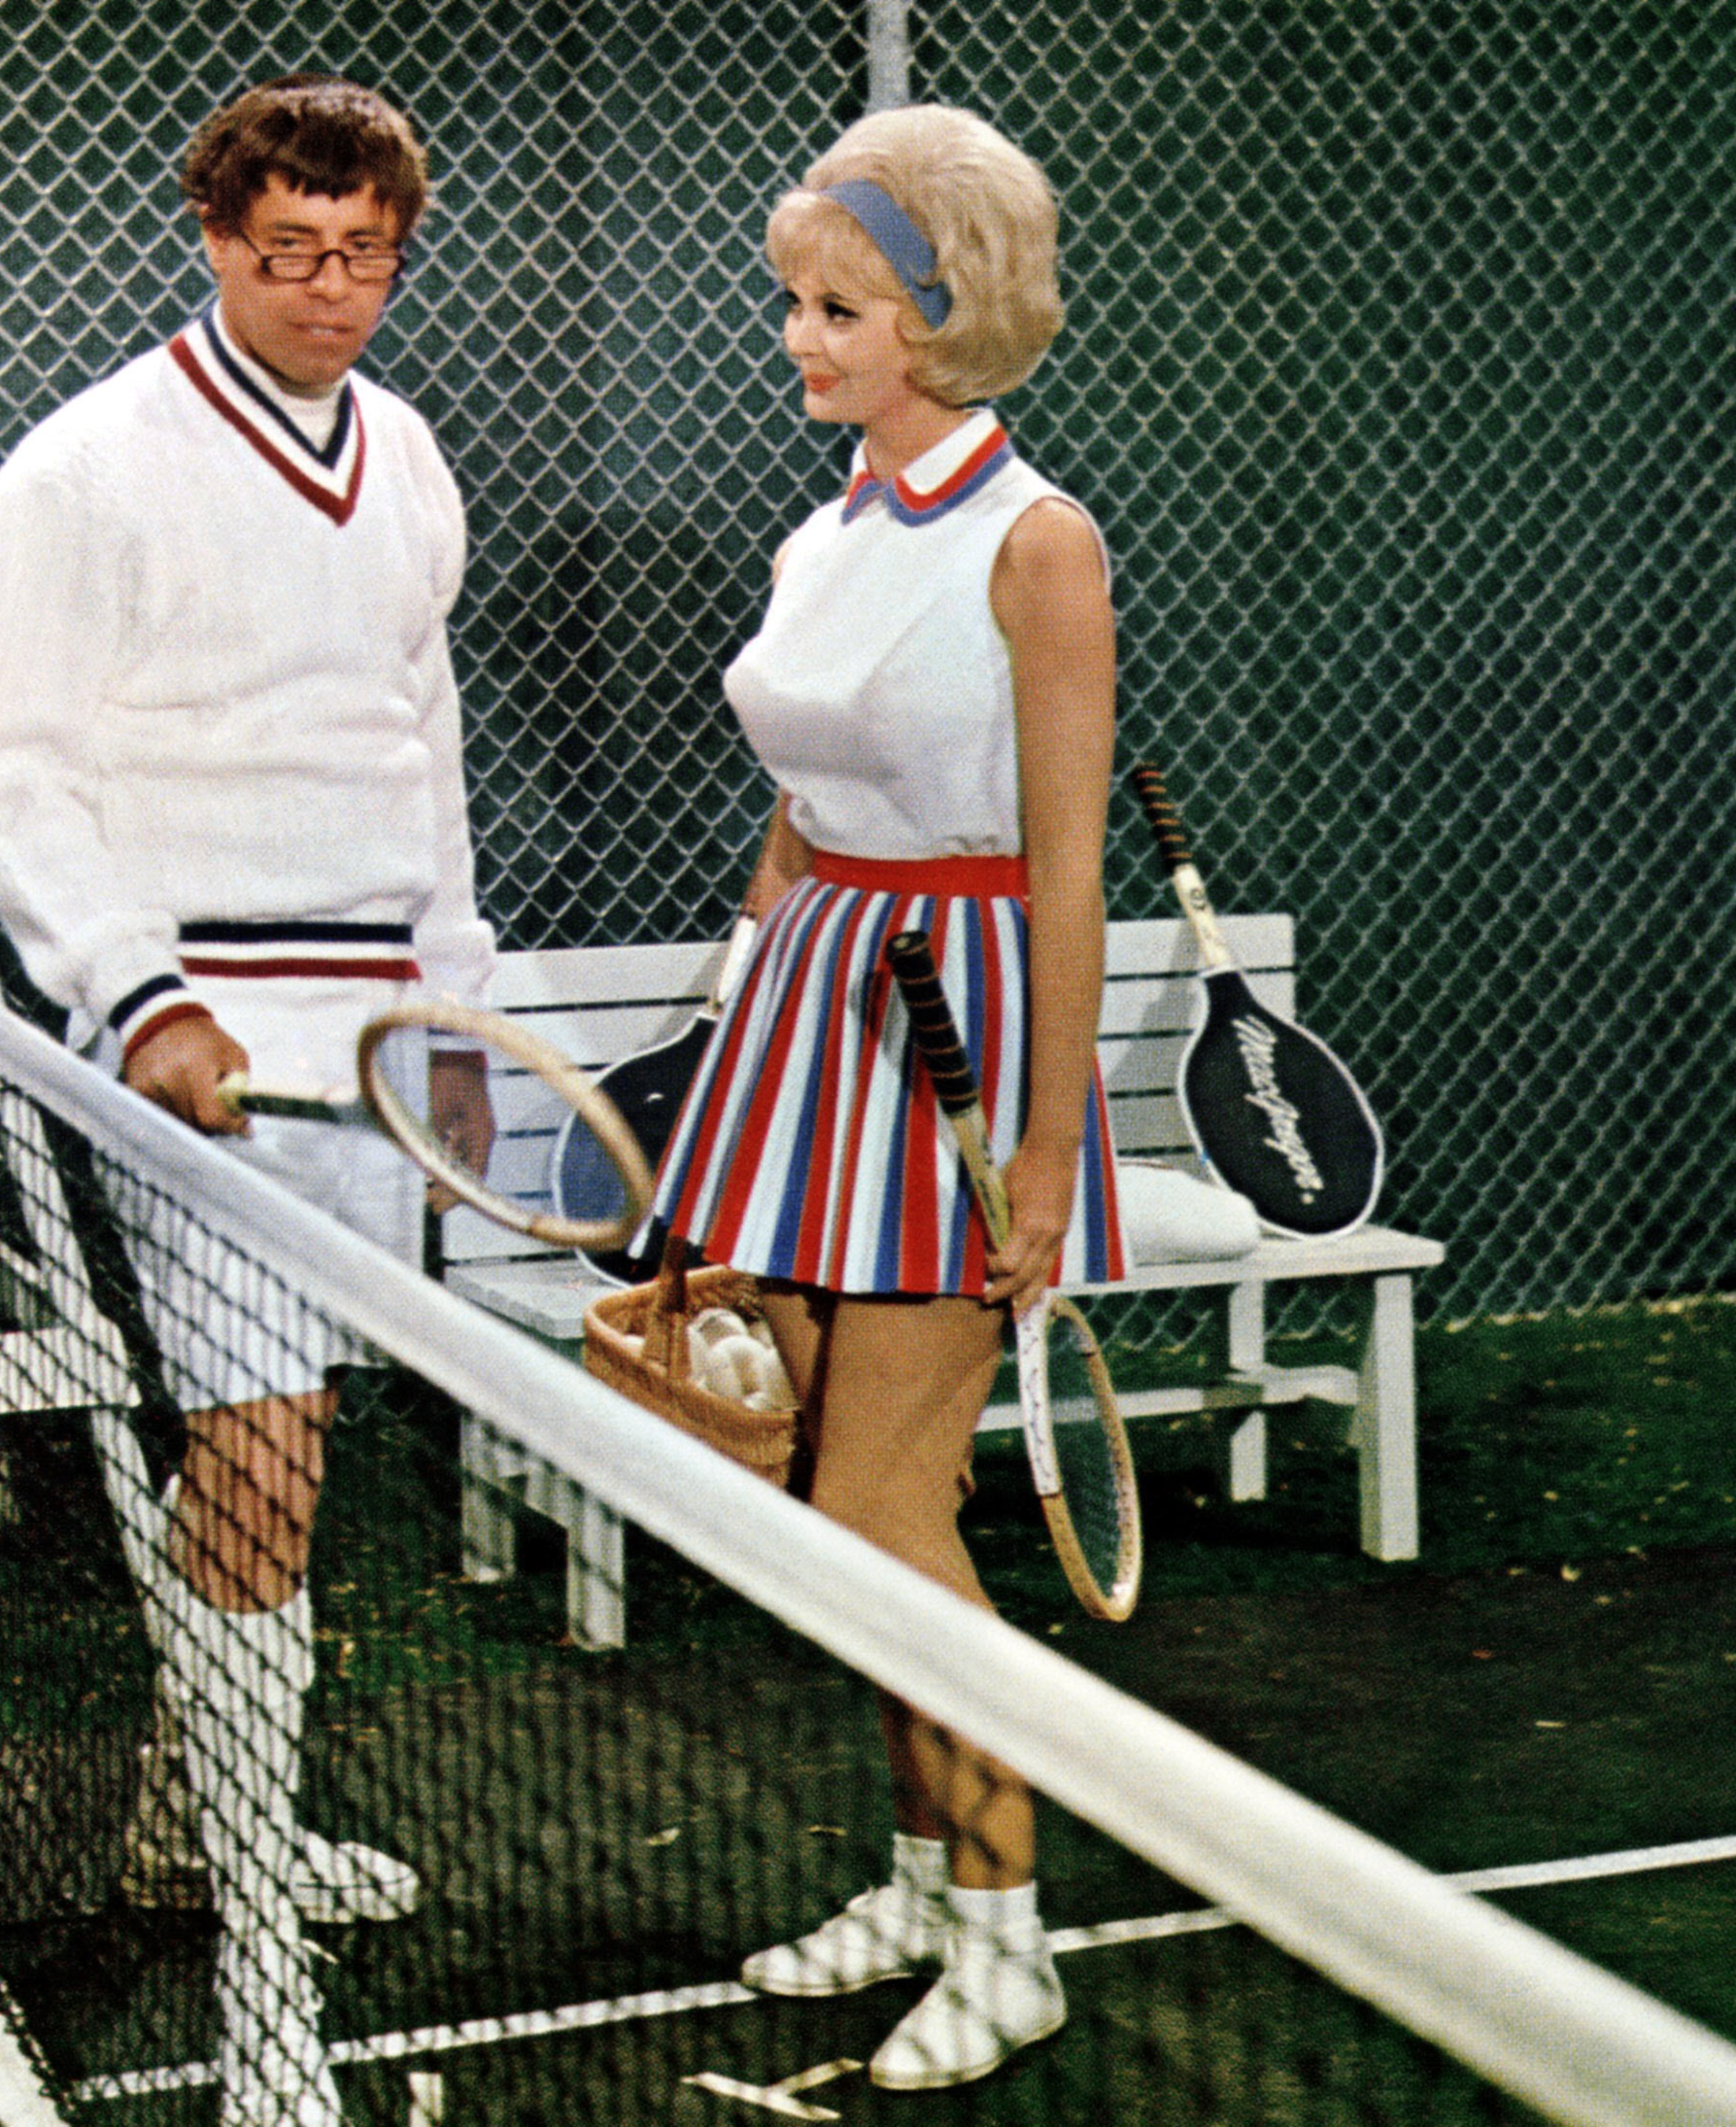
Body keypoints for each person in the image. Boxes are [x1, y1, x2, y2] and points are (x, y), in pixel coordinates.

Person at [0, 73, 494, 2127]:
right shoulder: (85, 470)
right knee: (260, 1461)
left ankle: (201, 1835)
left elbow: (422, 748)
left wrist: (456, 1010)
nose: (329, 290)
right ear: (213, 239)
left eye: (365, 257)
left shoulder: (408, 456)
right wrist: (141, 990)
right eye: (290, 253)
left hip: (372, 1032)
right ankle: (269, 1990)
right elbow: (16, 781)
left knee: (285, 1454)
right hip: (193, 1036)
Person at [642, 103, 1125, 2090]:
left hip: (959, 1037)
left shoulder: (1040, 542)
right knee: (837, 1515)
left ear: (940, 316)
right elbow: (797, 806)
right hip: (811, 1022)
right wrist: (733, 1016)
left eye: (838, 309)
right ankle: (924, 1882)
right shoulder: (825, 532)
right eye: (797, 302)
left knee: (879, 1504)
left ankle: (1010, 1939)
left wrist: (1042, 1149)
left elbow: (1068, 871)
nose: (800, 339)